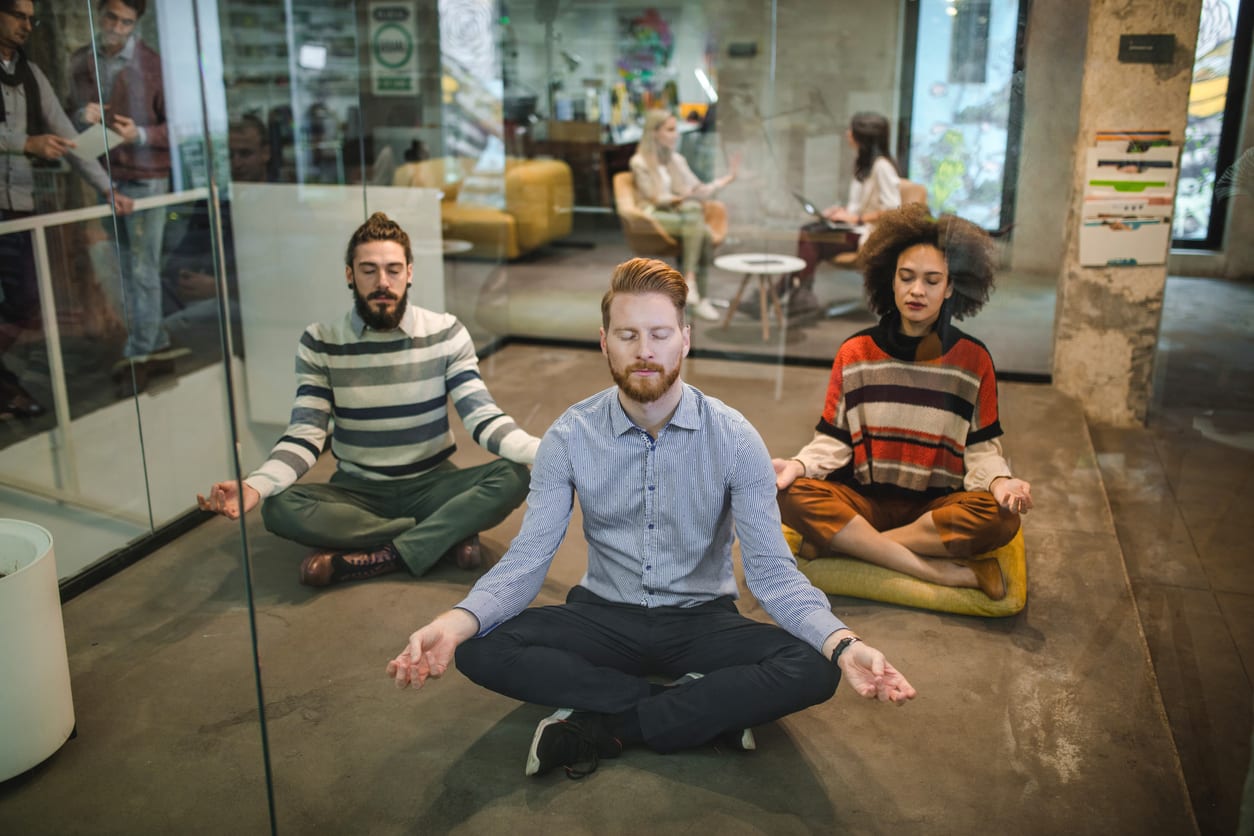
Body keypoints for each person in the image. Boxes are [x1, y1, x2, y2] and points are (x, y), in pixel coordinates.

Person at [386, 257, 915, 779]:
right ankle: (700, 709)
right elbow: (527, 559)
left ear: (685, 338)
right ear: (604, 342)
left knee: (815, 667)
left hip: (702, 619)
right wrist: (453, 621)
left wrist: (845, 643)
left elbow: (773, 574)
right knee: (478, 646)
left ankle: (607, 724)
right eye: (627, 335)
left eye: (660, 334)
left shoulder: (735, 438)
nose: (645, 352)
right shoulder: (568, 437)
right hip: (603, 614)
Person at [196, 212, 540, 588]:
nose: (382, 282)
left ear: (410, 273)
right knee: (278, 508)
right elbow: (305, 435)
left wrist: (545, 451)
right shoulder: (321, 342)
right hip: (357, 491)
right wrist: (255, 485)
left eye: (393, 270)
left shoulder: (446, 333)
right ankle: (441, 536)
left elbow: (482, 417)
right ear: (349, 275)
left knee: (513, 476)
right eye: (368, 270)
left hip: (433, 484)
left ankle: (380, 555)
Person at [772, 204, 1032, 601]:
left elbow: (981, 450)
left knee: (1000, 519)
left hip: (936, 506)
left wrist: (1000, 482)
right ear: (889, 280)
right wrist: (799, 464)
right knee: (787, 493)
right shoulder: (855, 352)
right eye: (906, 277)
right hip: (865, 499)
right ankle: (945, 573)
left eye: (932, 281)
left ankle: (855, 545)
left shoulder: (973, 360)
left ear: (950, 287)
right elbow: (834, 440)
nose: (916, 291)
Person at [0, 0, 133, 419]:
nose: (26, 25)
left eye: (30, 18)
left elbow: (69, 142)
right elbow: (26, 140)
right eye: (18, 15)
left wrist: (109, 189)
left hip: (19, 208)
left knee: (24, 303)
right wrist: (22, 143)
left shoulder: (31, 74)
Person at [68, 0, 178, 398]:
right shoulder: (82, 60)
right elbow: (64, 116)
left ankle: (139, 355)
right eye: (111, 17)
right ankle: (159, 344)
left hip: (148, 177)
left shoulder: (153, 64)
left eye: (126, 21)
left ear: (137, 24)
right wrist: (83, 115)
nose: (117, 27)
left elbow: (179, 126)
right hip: (105, 176)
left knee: (143, 270)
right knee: (123, 268)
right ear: (98, 14)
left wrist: (141, 136)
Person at [161, 114, 270, 359]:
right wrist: (188, 276)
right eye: (230, 155)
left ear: (265, 153)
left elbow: (284, 277)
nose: (237, 163)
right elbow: (178, 259)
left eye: (246, 154)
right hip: (195, 296)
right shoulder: (214, 204)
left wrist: (221, 286)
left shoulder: (282, 204)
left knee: (182, 324)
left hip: (242, 304)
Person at [784, 111, 902, 317]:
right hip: (854, 227)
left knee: (810, 237)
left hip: (869, 233)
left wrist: (856, 218)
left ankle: (786, 294)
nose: (847, 134)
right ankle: (797, 294)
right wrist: (841, 212)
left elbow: (894, 210)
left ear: (863, 137)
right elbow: (858, 205)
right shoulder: (864, 164)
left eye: (852, 130)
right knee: (810, 234)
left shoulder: (883, 167)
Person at [629, 109, 738, 322]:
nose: (676, 134)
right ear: (654, 133)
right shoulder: (639, 162)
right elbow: (653, 198)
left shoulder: (676, 160)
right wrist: (682, 198)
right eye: (670, 130)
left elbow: (699, 188)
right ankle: (695, 291)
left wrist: (728, 179)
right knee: (694, 215)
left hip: (681, 216)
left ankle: (694, 290)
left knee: (700, 227)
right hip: (653, 217)